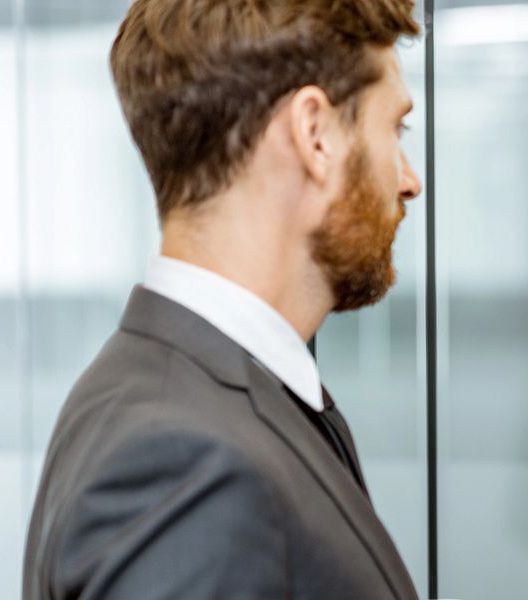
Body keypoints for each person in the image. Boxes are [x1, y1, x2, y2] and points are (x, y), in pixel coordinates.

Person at [22, 1, 423, 598]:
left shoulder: (188, 398)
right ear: (315, 135)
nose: (409, 179)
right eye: (394, 129)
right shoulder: (182, 464)